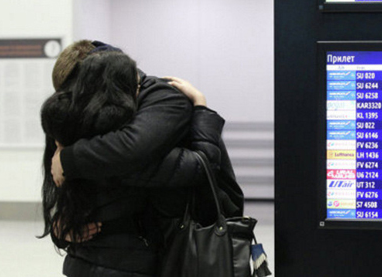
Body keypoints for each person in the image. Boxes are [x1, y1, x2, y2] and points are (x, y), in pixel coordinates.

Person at [40, 49, 230, 276]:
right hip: (132, 262)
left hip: (80, 262)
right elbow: (201, 166)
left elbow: (60, 203)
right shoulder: (134, 152)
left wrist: (60, 230)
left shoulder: (69, 138)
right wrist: (201, 107)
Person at [50, 41, 244, 221]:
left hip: (193, 227)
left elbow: (133, 150)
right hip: (138, 240)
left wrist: (69, 159)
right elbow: (62, 193)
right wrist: (63, 228)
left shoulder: (163, 97)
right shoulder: (93, 115)